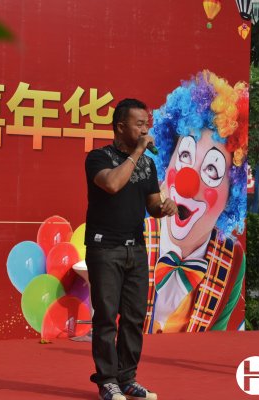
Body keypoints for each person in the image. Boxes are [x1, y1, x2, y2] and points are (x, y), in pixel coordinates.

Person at [85, 98, 177, 400]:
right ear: (120, 126)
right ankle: (107, 380)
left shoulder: (147, 164)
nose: (145, 130)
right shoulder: (98, 157)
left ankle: (127, 378)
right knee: (106, 317)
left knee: (134, 317)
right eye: (139, 125)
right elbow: (111, 185)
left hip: (135, 249)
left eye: (146, 124)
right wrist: (137, 152)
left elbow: (152, 205)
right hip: (104, 248)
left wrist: (164, 208)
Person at [144, 70, 248, 334]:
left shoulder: (232, 259)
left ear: (232, 193)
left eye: (212, 169)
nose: (187, 182)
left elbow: (213, 339)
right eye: (184, 156)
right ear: (167, 163)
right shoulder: (134, 235)